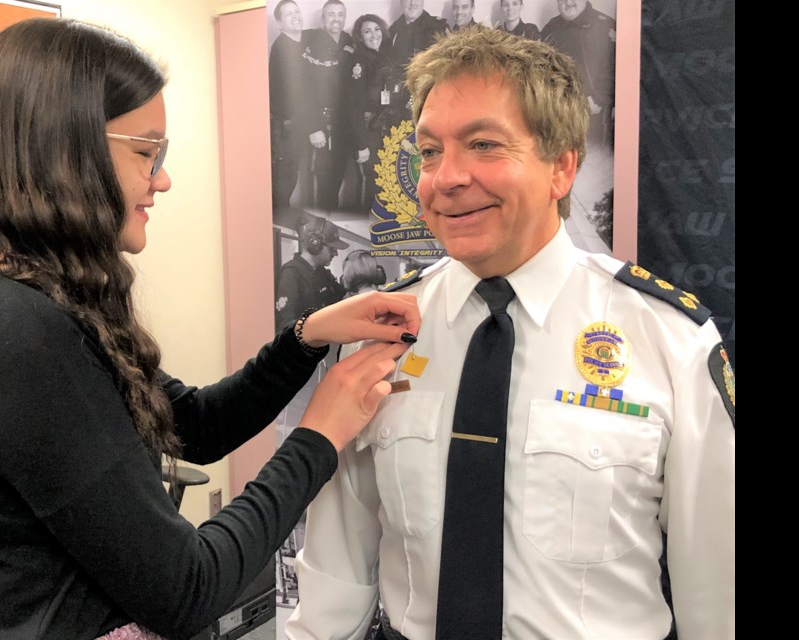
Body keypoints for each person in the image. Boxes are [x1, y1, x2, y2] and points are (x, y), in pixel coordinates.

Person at [0, 18, 422, 640]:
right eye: (148, 153)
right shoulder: (12, 332)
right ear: (66, 149)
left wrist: (305, 337)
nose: (164, 179)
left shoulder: (32, 299)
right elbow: (187, 589)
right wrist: (321, 433)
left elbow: (195, 425)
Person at [287, 25, 735, 640]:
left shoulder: (668, 339)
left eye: (483, 145)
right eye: (430, 151)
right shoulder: (380, 329)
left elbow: (717, 590)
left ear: (562, 167)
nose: (446, 177)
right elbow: (336, 566)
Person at [345, 13, 404, 213]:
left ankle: (378, 228)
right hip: (368, 132)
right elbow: (353, 107)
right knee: (370, 182)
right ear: (360, 37)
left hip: (384, 130)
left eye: (377, 29)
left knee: (383, 182)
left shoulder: (384, 56)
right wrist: (361, 145)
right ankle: (363, 227)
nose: (374, 35)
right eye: (367, 31)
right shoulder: (358, 62)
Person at [303, 0, 355, 212]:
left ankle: (332, 224)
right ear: (323, 18)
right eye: (331, 14)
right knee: (321, 177)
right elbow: (303, 90)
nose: (336, 18)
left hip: (343, 122)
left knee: (337, 176)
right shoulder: (311, 42)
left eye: (340, 14)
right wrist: (314, 127)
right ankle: (319, 228)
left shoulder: (348, 40)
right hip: (320, 123)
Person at [541, 0, 615, 148]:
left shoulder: (604, 25)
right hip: (558, 112)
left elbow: (615, 66)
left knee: (592, 164)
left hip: (593, 113)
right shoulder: (551, 27)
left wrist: (598, 99)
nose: (568, 3)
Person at [269, 0, 311, 210]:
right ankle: (279, 221)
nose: (295, 16)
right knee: (285, 177)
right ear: (279, 23)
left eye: (297, 11)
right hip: (288, 125)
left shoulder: (300, 44)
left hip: (296, 124)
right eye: (288, 14)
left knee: (291, 173)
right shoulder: (282, 48)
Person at [275, 216, 350, 330]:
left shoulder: (323, 274)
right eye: (332, 249)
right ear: (315, 244)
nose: (335, 254)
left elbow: (343, 299)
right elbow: (286, 327)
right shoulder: (290, 275)